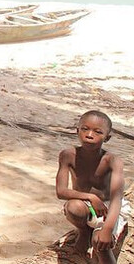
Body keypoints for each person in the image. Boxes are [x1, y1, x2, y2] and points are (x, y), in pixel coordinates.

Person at [56, 110, 129, 264]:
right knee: (73, 207)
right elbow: (61, 191)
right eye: (85, 129)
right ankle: (84, 231)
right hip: (86, 205)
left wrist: (107, 229)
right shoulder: (67, 155)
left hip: (108, 208)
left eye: (98, 132)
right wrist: (90, 197)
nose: (89, 135)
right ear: (77, 130)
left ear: (107, 137)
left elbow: (117, 199)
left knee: (100, 243)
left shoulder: (112, 161)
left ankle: (97, 236)